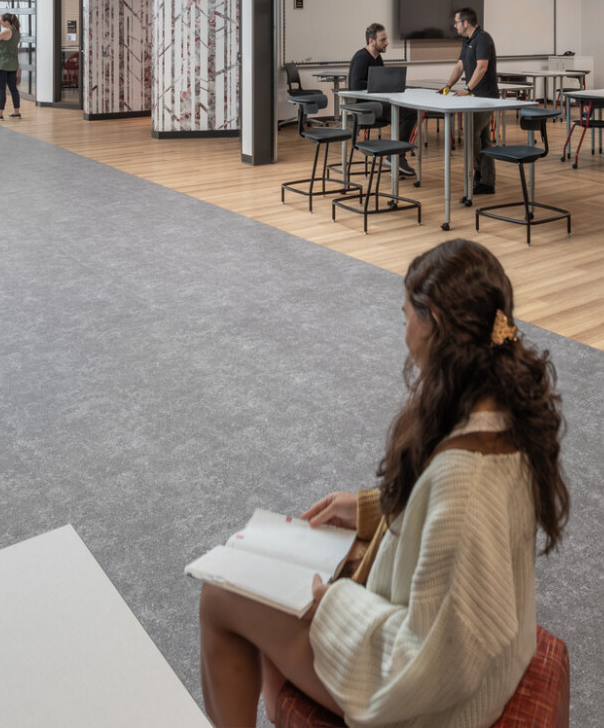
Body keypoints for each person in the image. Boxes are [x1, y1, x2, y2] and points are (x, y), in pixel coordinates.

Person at [197, 239, 566, 728]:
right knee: (297, 553)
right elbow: (446, 535)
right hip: (465, 658)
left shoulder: (466, 483)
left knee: (219, 598)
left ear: (433, 321)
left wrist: (337, 605)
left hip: (434, 702)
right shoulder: (497, 402)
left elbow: (433, 661)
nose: (404, 332)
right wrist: (374, 509)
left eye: (407, 317)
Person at [441, 8, 498, 196]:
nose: (455, 26)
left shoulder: (483, 38)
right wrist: (448, 86)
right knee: (483, 138)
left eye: (457, 22)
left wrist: (467, 89)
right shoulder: (467, 41)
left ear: (466, 23)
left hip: (485, 98)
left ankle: (480, 173)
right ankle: (486, 181)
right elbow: (460, 66)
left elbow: (482, 68)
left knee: (472, 133)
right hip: (475, 98)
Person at [348, 22, 414, 176]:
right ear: (371, 41)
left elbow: (380, 82)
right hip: (367, 109)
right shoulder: (362, 57)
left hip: (377, 105)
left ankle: (395, 154)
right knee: (409, 114)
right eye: (383, 40)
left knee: (410, 112)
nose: (387, 43)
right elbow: (355, 85)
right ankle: (396, 156)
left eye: (386, 39)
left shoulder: (377, 58)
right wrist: (381, 83)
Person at [0, 12, 24, 120]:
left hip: (1, 64)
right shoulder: (17, 32)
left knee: (1, 90)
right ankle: (17, 112)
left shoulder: (6, 31)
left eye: (1, 21)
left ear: (6, 22)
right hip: (12, 64)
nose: (0, 22)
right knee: (13, 89)